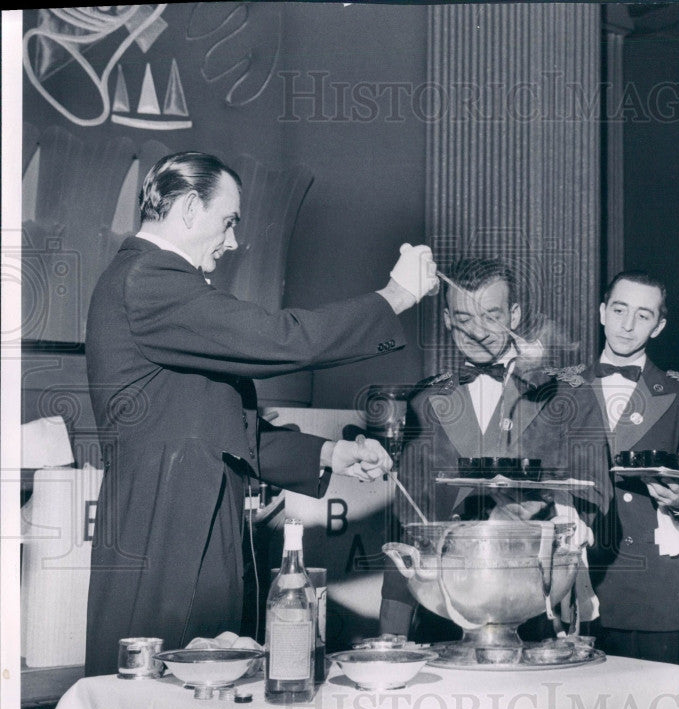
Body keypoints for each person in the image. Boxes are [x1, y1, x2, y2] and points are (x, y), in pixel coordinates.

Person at [84, 151, 439, 676]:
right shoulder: (148, 279)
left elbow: (225, 432)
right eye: (227, 222)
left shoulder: (159, 288)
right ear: (186, 209)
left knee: (206, 694)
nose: (232, 243)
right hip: (167, 533)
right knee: (166, 698)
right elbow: (280, 339)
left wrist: (330, 452)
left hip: (191, 523)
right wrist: (395, 297)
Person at [379, 258, 608, 639]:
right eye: (464, 319)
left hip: (535, 601)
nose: (479, 332)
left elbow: (595, 488)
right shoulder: (426, 399)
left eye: (492, 316)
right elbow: (408, 518)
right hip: (446, 606)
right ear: (448, 320)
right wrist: (393, 628)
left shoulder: (568, 395)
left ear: (515, 315)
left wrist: (553, 510)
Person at [582, 271, 679, 666]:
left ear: (659, 326)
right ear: (603, 312)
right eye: (619, 310)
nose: (627, 325)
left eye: (643, 315)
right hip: (577, 582)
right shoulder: (560, 389)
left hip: (654, 589)